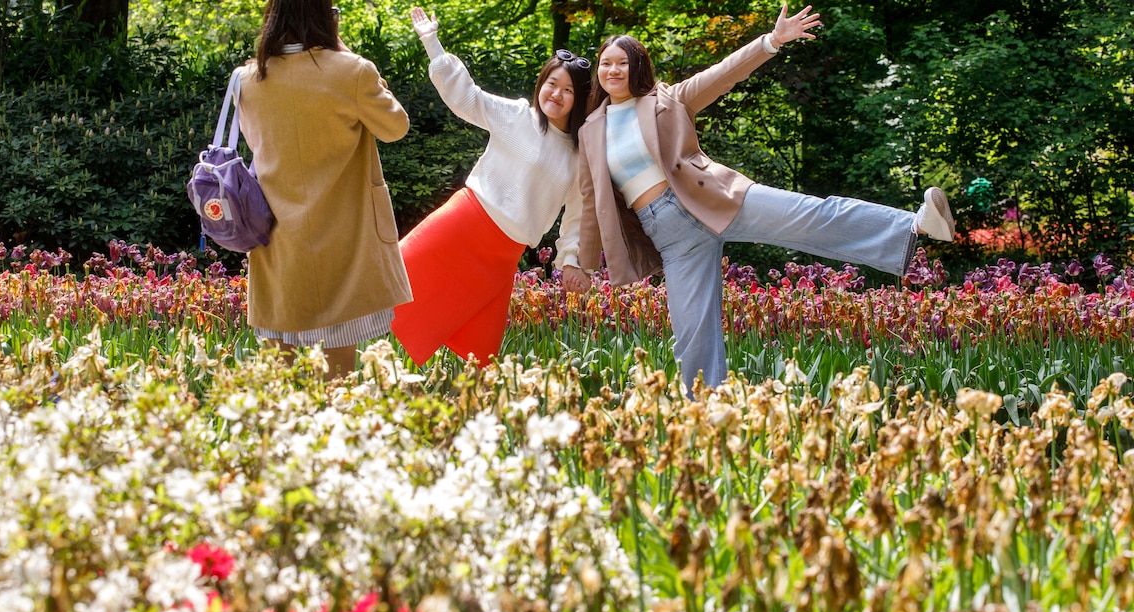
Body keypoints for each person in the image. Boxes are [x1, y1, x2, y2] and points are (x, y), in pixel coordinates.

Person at [572, 3, 956, 394]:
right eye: (606, 63)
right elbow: (591, 202)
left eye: (623, 63)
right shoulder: (590, 131)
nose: (613, 70)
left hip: (717, 198)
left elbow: (721, 74)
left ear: (638, 67)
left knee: (812, 214)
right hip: (670, 234)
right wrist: (583, 264)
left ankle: (916, 224)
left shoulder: (667, 99)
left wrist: (772, 41)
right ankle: (704, 412)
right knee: (691, 333)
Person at [390, 7, 594, 366]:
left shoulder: (579, 158)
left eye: (568, 90)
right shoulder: (517, 115)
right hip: (463, 222)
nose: (556, 94)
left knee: (480, 349)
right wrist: (432, 42)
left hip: (503, 254)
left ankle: (464, 398)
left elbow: (577, 219)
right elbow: (468, 98)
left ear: (579, 99)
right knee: (392, 283)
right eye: (551, 84)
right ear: (541, 83)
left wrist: (571, 262)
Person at [236, 0, 411, 380]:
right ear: (326, 17)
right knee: (337, 380)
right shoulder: (351, 71)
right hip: (342, 238)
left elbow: (257, 145)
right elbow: (396, 127)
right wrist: (344, 51)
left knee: (278, 377)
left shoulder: (247, 80)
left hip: (275, 239)